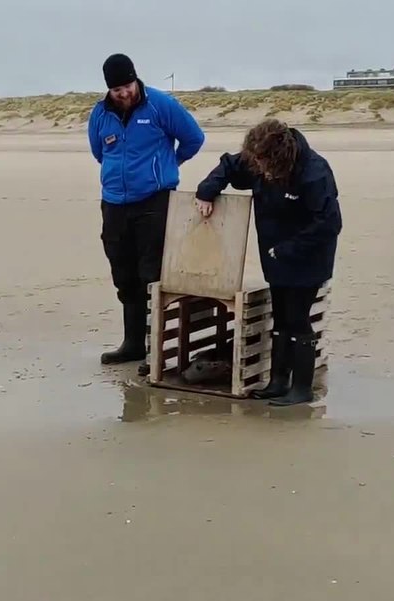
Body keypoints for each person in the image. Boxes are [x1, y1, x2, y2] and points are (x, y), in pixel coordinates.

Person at [194, 119, 341, 406]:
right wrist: (206, 189)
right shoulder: (258, 158)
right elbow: (228, 166)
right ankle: (277, 382)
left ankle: (301, 388)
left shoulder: (314, 173)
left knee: (298, 319)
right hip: (273, 254)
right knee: (281, 317)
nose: (258, 169)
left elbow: (330, 223)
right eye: (255, 163)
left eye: (263, 165)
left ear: (279, 158)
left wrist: (288, 250)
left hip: (309, 256)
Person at [87, 53, 205, 368]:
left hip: (154, 201)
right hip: (114, 203)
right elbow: (100, 153)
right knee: (123, 274)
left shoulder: (159, 105)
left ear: (135, 79)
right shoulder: (99, 114)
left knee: (150, 274)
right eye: (116, 90)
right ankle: (133, 344)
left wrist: (169, 165)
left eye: (126, 86)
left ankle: (157, 350)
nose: (123, 93)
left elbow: (194, 138)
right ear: (108, 90)